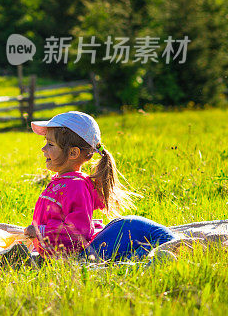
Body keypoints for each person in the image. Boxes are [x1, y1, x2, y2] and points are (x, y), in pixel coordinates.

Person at [25, 111, 175, 260]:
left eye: (50, 144)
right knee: (129, 251)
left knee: (156, 239)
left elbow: (78, 231)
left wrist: (42, 231)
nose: (43, 149)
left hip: (85, 252)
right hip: (77, 252)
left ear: (73, 153)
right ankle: (151, 255)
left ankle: (164, 252)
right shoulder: (61, 182)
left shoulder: (76, 186)